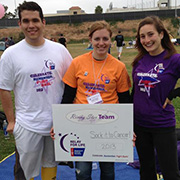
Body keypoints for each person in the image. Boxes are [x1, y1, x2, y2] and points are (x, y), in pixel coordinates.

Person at [0, 1, 72, 180]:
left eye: (35, 20)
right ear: (20, 24)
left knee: (51, 165)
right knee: (26, 172)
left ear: (43, 22)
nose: (31, 25)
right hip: (27, 125)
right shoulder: (11, 54)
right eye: (26, 21)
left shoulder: (60, 50)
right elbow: (4, 89)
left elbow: (73, 83)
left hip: (56, 125)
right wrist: (11, 121)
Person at [51, 20, 131, 180]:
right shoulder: (77, 63)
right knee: (83, 171)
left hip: (109, 125)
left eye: (105, 39)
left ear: (111, 41)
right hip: (81, 124)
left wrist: (129, 128)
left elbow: (125, 100)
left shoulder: (119, 67)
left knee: (108, 170)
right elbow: (67, 96)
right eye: (97, 39)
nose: (101, 43)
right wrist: (58, 123)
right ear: (90, 40)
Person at [132, 15, 180, 180]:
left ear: (161, 34)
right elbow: (135, 94)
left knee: (170, 173)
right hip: (140, 126)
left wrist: (172, 94)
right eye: (142, 36)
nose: (146, 40)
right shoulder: (139, 61)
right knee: (146, 171)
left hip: (162, 125)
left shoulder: (174, 59)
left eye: (150, 34)